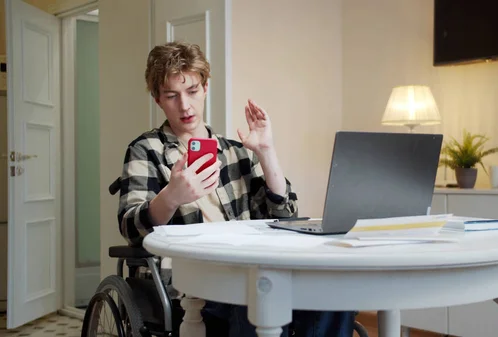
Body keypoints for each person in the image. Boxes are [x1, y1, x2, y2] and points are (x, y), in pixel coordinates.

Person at [116, 41, 355, 337]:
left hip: (248, 269)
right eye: (171, 95)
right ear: (157, 99)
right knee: (254, 298)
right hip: (189, 280)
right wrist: (172, 196)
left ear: (205, 87)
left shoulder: (236, 152)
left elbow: (286, 214)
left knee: (332, 296)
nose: (185, 105)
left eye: (192, 91)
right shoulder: (145, 150)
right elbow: (130, 227)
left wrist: (266, 152)